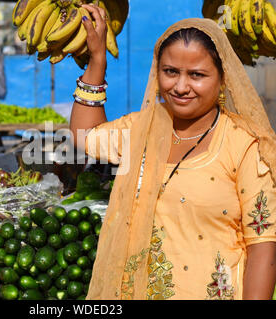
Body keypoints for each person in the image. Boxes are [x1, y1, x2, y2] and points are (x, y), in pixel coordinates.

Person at [70, 4, 276, 300]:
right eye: (170, 72)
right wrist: (97, 61)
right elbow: (85, 136)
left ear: (222, 79)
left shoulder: (244, 145)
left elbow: (263, 246)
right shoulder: (142, 129)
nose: (181, 86)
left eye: (197, 74)